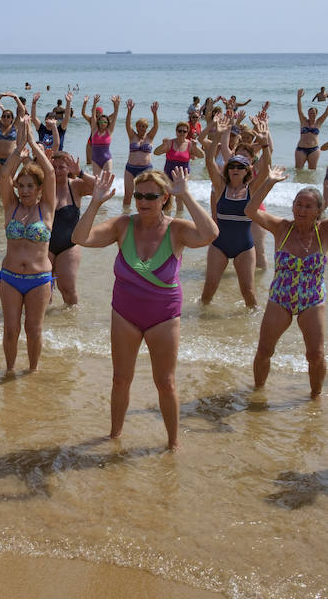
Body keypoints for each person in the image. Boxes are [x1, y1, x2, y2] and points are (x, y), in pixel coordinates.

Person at [70, 169, 218, 450]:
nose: (143, 201)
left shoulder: (177, 229)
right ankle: (114, 437)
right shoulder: (122, 225)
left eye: (151, 196)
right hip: (125, 313)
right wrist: (96, 202)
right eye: (139, 195)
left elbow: (211, 234)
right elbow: (80, 237)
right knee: (120, 378)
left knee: (166, 383)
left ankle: (173, 444)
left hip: (163, 317)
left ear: (164, 198)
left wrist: (185, 193)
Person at [245, 170, 326, 398]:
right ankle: (257, 392)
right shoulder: (282, 227)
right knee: (264, 351)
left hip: (312, 299)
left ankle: (315, 398)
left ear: (319, 211)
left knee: (316, 355)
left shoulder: (324, 231)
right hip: (280, 298)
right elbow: (250, 210)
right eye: (298, 204)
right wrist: (269, 181)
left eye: (308, 206)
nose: (301, 210)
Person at [0, 116, 57, 373]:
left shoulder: (47, 209)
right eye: (21, 186)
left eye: (30, 186)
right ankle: (9, 370)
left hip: (39, 278)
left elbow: (51, 172)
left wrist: (33, 142)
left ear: (40, 188)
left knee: (34, 330)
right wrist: (19, 154)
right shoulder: (11, 206)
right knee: (11, 330)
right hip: (10, 277)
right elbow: (5, 174)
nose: (24, 190)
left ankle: (32, 371)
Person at [200, 114, 268, 308]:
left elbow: (264, 170)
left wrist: (264, 144)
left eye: (241, 166)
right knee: (209, 287)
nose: (236, 169)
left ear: (247, 171)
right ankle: (200, 319)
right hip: (219, 245)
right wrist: (218, 137)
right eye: (232, 166)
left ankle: (252, 325)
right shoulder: (221, 187)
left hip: (245, 247)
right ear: (228, 169)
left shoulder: (252, 189)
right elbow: (209, 162)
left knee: (248, 291)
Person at [49, 152, 95, 305]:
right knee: (43, 289)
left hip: (69, 245)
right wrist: (40, 165)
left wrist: (80, 173)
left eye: (61, 167)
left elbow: (101, 187)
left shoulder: (75, 186)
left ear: (69, 169)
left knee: (67, 288)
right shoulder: (42, 185)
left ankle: (71, 322)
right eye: (53, 167)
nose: (56, 171)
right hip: (44, 246)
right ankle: (48, 324)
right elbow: (16, 183)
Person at [122, 99, 159, 207]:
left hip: (146, 169)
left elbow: (156, 126)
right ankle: (125, 215)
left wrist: (155, 113)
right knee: (128, 195)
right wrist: (129, 111)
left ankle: (146, 211)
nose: (141, 128)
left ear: (147, 128)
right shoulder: (132, 136)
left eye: (144, 126)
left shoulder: (150, 137)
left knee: (146, 195)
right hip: (130, 169)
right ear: (136, 127)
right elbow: (127, 124)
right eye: (139, 126)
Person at [153, 121, 203, 193]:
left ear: (187, 133)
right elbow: (156, 152)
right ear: (176, 131)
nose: (182, 133)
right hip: (168, 175)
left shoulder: (190, 144)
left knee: (180, 198)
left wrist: (195, 147)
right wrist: (163, 145)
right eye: (180, 131)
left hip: (183, 176)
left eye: (184, 131)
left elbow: (201, 156)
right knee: (167, 197)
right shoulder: (170, 143)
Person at [84, 94, 120, 175]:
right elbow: (93, 116)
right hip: (95, 160)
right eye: (100, 121)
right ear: (98, 122)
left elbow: (115, 116)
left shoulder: (109, 131)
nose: (102, 123)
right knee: (96, 181)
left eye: (105, 122)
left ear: (107, 123)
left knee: (107, 179)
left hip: (107, 159)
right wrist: (94, 104)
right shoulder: (94, 130)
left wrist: (116, 105)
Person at [295, 88, 328, 169]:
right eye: (309, 112)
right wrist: (299, 98)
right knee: (298, 171)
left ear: (316, 114)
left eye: (313, 113)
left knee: (312, 171)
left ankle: (310, 182)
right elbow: (299, 110)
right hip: (301, 149)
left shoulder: (319, 122)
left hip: (314, 150)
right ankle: (297, 183)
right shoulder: (303, 121)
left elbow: (327, 112)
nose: (311, 114)